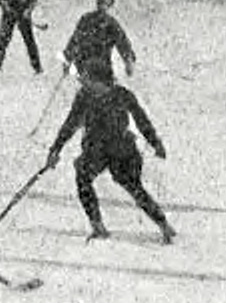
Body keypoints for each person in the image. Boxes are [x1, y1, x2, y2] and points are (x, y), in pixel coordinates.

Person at [45, 59, 175, 243]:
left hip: (121, 149)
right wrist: (55, 150)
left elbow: (141, 120)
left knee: (133, 187)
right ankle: (97, 225)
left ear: (101, 80)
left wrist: (155, 143)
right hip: (96, 150)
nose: (84, 82)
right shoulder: (85, 96)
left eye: (88, 79)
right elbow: (70, 125)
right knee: (83, 177)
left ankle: (163, 224)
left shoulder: (121, 95)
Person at [63, 0, 136, 80]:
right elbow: (75, 39)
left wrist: (128, 61)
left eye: (105, 4)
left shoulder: (112, 24)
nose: (102, 6)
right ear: (97, 3)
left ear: (109, 6)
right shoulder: (86, 20)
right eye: (100, 3)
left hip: (103, 67)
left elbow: (122, 42)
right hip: (84, 65)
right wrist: (68, 59)